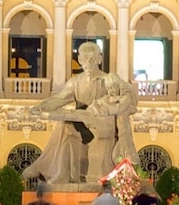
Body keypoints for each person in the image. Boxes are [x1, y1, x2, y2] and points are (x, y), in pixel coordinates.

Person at [22, 42, 139, 185]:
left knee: (67, 125)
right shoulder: (75, 82)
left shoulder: (108, 80)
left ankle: (42, 167)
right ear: (79, 60)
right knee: (65, 126)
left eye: (92, 59)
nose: (88, 63)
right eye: (84, 59)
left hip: (104, 125)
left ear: (100, 59)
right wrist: (41, 107)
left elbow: (127, 97)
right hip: (82, 125)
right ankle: (60, 175)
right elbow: (59, 99)